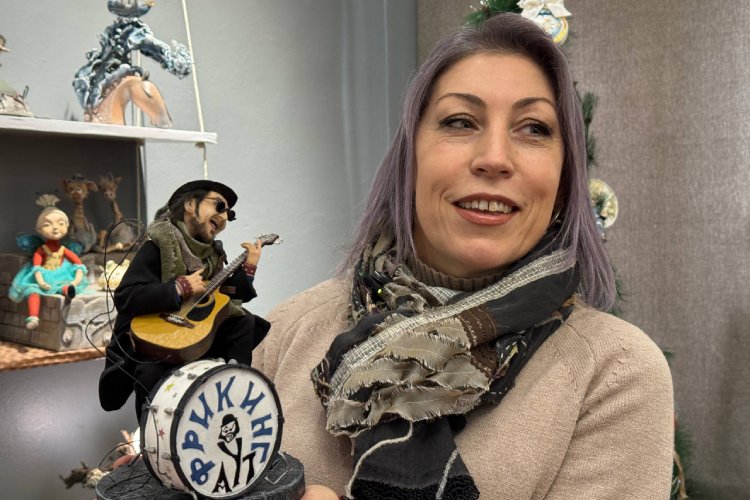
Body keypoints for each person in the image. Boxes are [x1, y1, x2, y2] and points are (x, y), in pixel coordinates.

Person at [254, 13, 674, 500]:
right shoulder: (285, 333)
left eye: (534, 128)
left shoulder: (614, 372)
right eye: (460, 121)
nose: (494, 158)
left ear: (563, 182)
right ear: (410, 159)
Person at [99, 180, 271, 423]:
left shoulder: (213, 256)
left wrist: (249, 268)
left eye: (229, 214)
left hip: (194, 337)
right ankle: (156, 436)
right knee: (150, 373)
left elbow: (225, 298)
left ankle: (234, 388)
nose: (224, 217)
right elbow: (126, 297)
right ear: (190, 204)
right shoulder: (157, 246)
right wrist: (178, 288)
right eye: (219, 206)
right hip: (154, 343)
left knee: (244, 322)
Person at [9, 194, 88, 330]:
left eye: (60, 223)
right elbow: (37, 268)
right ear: (39, 229)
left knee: (63, 286)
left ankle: (69, 291)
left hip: (62, 275)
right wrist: (40, 282)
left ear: (67, 226)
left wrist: (75, 281)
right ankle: (33, 317)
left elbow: (78, 264)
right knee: (32, 290)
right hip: (44, 276)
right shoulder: (41, 250)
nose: (55, 228)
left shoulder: (63, 249)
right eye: (47, 224)